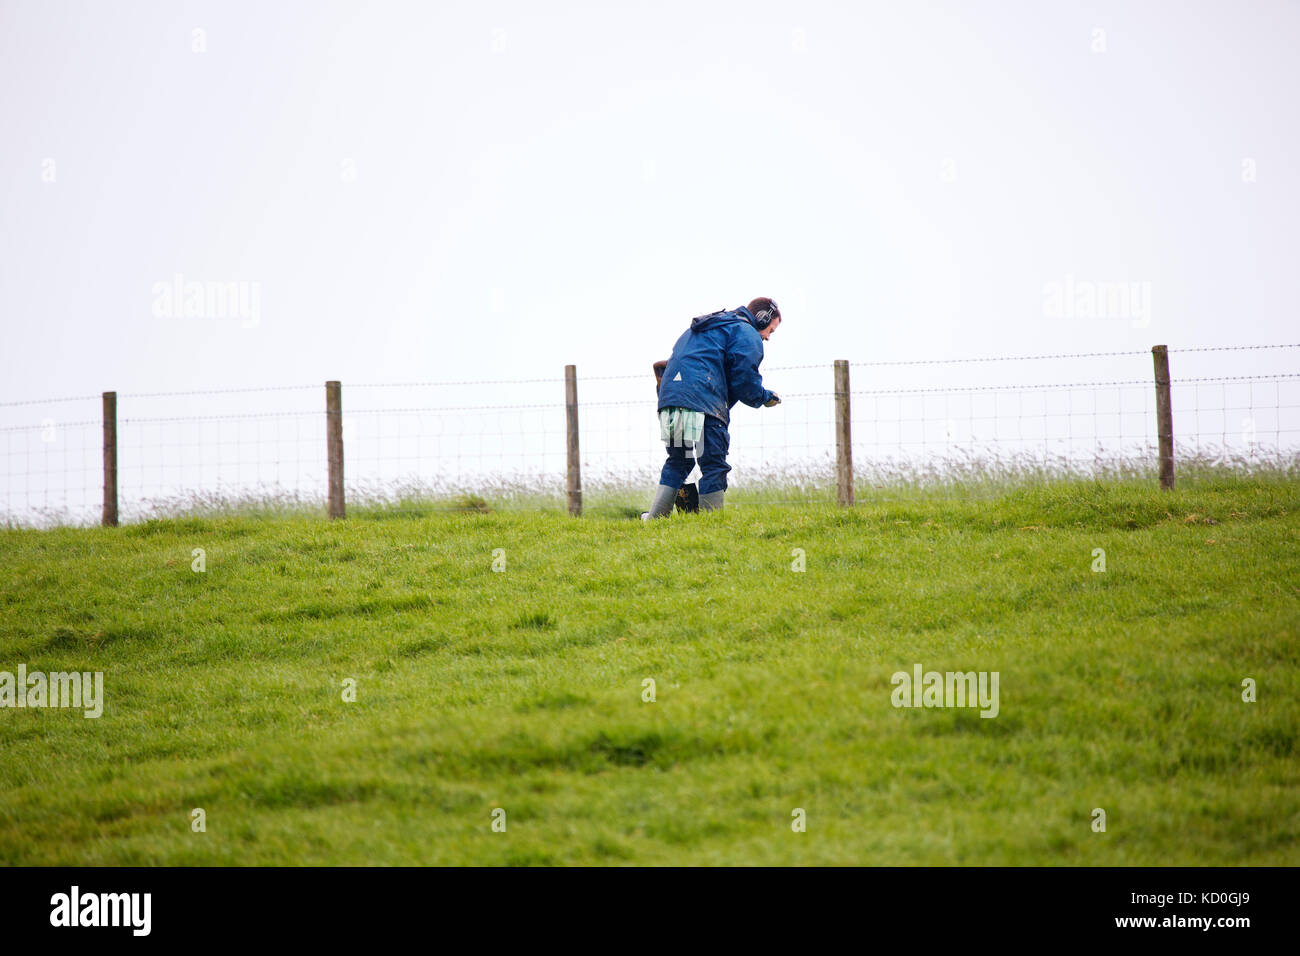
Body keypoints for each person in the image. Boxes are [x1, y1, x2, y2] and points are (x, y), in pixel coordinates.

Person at [642, 297, 782, 518]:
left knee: (678, 461)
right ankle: (711, 524)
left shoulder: (707, 327)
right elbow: (745, 380)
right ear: (762, 319)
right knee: (714, 465)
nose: (767, 337)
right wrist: (764, 397)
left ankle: (654, 519)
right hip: (702, 403)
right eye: (770, 331)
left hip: (670, 401)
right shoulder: (746, 332)